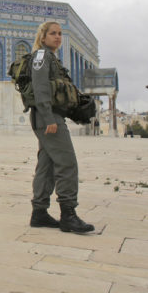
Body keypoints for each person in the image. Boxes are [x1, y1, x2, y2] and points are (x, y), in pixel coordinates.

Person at [27, 21, 94, 234]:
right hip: (48, 117)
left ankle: (39, 213)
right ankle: (68, 215)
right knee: (67, 163)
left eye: (60, 34)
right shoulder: (41, 56)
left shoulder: (50, 58)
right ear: (43, 36)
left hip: (50, 116)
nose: (57, 37)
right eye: (53, 33)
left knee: (47, 166)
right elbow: (40, 88)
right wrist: (49, 118)